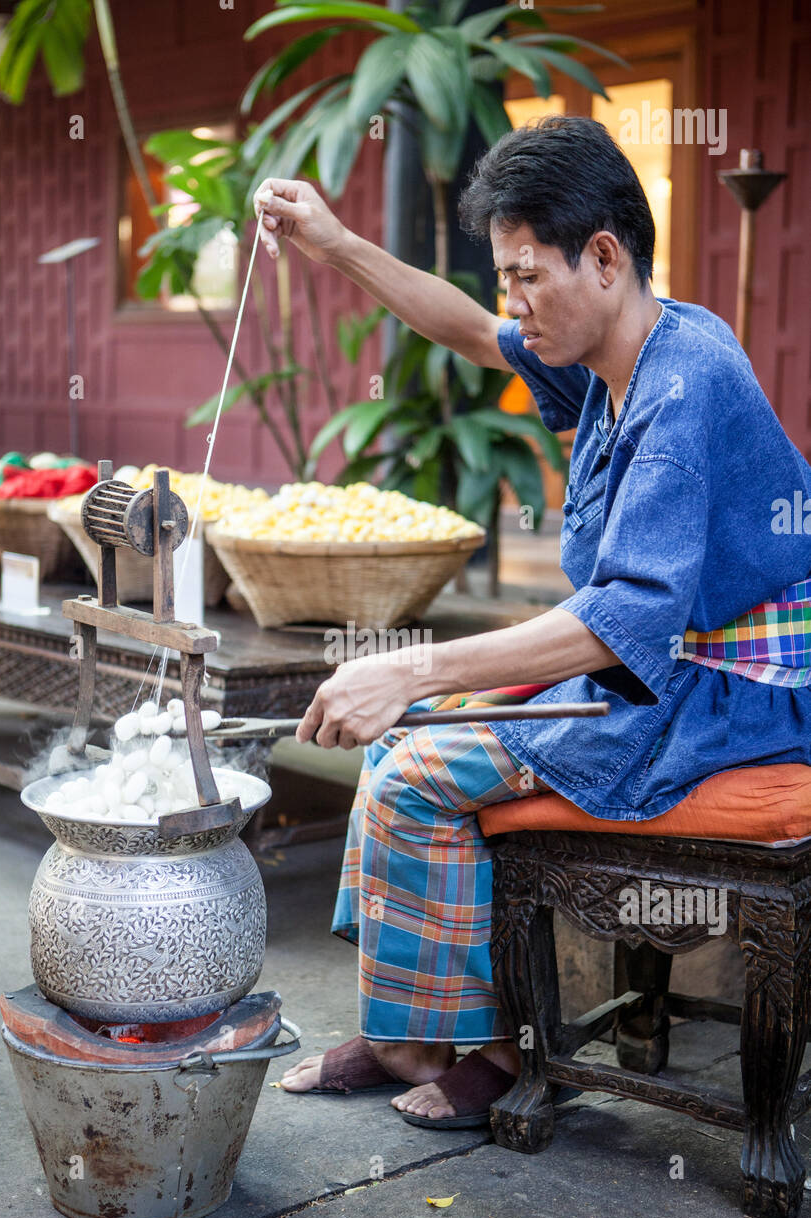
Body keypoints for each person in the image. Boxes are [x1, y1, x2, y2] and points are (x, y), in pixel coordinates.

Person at [252, 116, 811, 1128]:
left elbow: (626, 617)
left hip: (727, 694)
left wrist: (409, 670)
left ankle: (496, 1054)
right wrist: (332, 242)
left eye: (523, 276)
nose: (511, 304)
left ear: (602, 256)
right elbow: (464, 329)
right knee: (399, 754)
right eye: (506, 277)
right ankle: (407, 1035)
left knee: (415, 762)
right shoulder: (611, 346)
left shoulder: (682, 383)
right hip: (654, 669)